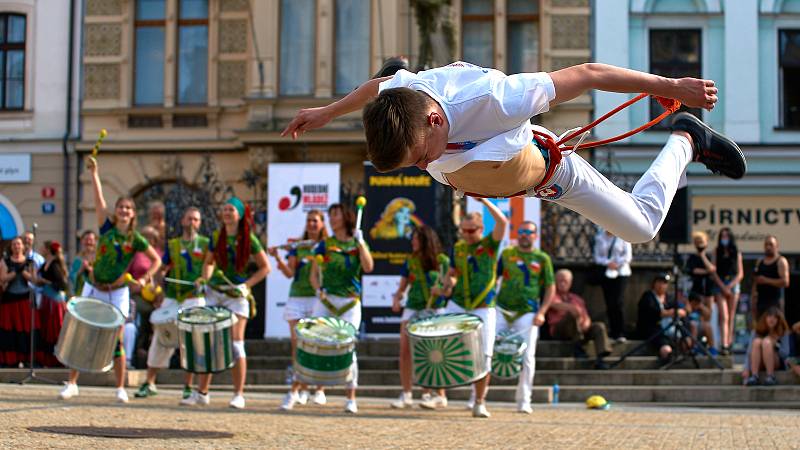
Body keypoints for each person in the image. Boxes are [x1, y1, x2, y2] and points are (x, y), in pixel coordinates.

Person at [282, 61, 746, 246]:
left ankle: (686, 139)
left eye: (419, 157)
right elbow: (374, 88)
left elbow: (587, 74)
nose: (423, 167)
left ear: (435, 121)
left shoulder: (498, 98)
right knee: (414, 110)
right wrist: (327, 111)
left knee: (643, 229)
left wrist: (671, 88)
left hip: (547, 169)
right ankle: (407, 66)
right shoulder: (404, 95)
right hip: (484, 157)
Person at [59, 156, 162, 403]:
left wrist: (144, 277)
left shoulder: (136, 239)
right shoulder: (106, 228)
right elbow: (98, 200)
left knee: (116, 339)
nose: (124, 211)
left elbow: (156, 261)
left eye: (128, 208)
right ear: (116, 212)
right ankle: (72, 383)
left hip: (117, 290)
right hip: (94, 286)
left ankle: (119, 388)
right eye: (121, 207)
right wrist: (95, 173)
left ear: (133, 214)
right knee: (81, 333)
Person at [184, 197, 270, 409]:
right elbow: (209, 263)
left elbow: (265, 267)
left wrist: (247, 285)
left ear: (239, 215)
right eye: (224, 210)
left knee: (235, 343)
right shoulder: (216, 237)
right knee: (208, 341)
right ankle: (202, 392)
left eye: (231, 210)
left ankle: (238, 394)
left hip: (237, 296)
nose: (227, 213)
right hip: (215, 292)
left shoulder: (250, 239)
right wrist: (204, 278)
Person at [438, 198, 507, 418]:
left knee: (485, 354)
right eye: (464, 231)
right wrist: (448, 283)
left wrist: (484, 202)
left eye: (471, 231)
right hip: (458, 302)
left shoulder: (489, 245)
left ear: (480, 229)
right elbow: (453, 273)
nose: (467, 235)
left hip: (483, 305)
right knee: (438, 340)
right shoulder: (458, 248)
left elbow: (503, 223)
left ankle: (479, 401)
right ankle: (438, 394)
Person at [136, 207, 208, 401]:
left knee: (192, 342)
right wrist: (158, 285)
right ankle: (149, 382)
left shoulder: (206, 244)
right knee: (161, 337)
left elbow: (209, 267)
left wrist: (203, 280)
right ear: (183, 221)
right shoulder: (173, 245)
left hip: (194, 297)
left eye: (196, 219)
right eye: (189, 219)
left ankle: (188, 385)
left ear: (199, 223)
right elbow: (163, 268)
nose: (192, 222)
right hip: (173, 296)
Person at [308, 203, 374, 414]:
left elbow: (368, 267)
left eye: (335, 214)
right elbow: (313, 274)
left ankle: (351, 397)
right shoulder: (325, 244)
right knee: (318, 340)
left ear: (346, 217)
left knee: (348, 345)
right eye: (330, 215)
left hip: (349, 302)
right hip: (327, 300)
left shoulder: (356, 242)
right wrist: (318, 290)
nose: (332, 219)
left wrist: (361, 242)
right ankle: (319, 389)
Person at [494, 220, 554, 413]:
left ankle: (524, 400)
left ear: (535, 236)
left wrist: (542, 312)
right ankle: (477, 397)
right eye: (521, 231)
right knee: (487, 349)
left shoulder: (542, 258)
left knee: (527, 356)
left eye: (529, 232)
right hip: (501, 309)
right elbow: (494, 277)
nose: (525, 235)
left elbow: (550, 287)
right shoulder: (507, 253)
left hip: (527, 312)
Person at [272, 210, 328, 410]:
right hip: (296, 299)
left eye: (316, 221)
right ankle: (302, 388)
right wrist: (277, 258)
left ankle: (319, 389)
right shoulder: (297, 247)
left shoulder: (327, 246)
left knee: (318, 343)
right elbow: (289, 273)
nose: (312, 224)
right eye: (309, 221)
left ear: (322, 224)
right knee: (298, 346)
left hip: (317, 299)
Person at [390, 225, 449, 410]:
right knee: (405, 351)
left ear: (426, 240)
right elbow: (402, 287)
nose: (412, 242)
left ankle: (434, 394)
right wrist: (397, 298)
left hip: (434, 310)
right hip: (413, 308)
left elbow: (449, 288)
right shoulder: (410, 261)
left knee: (431, 353)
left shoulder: (442, 261)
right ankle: (406, 393)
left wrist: (441, 290)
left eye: (416, 239)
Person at [546, 268, 612, 370]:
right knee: (572, 314)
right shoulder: (551, 295)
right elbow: (554, 304)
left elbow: (586, 316)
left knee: (599, 326)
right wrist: (573, 309)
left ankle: (601, 357)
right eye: (560, 281)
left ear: (570, 283)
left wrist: (586, 323)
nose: (563, 284)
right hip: (560, 330)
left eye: (565, 281)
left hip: (580, 329)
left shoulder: (577, 299)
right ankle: (578, 347)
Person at [0, 237, 40, 367]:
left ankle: (27, 358)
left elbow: (34, 279)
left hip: (25, 299)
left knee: (27, 329)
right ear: (11, 247)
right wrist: (14, 272)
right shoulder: (5, 261)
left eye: (18, 244)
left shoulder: (30, 262)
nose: (16, 246)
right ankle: (11, 359)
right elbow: (2, 278)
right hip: (10, 299)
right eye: (14, 244)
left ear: (23, 246)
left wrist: (23, 271)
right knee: (10, 330)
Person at [634, 273, 687, 361]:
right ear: (654, 283)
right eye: (660, 282)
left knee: (687, 338)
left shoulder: (669, 297)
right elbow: (652, 312)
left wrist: (677, 312)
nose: (662, 285)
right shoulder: (648, 296)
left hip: (670, 328)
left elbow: (682, 311)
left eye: (664, 283)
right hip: (653, 330)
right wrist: (669, 312)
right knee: (666, 349)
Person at [593, 230, 632, 343]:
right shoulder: (600, 237)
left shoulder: (623, 237)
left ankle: (620, 331)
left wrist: (617, 263)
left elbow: (627, 256)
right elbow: (597, 257)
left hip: (621, 272)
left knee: (618, 301)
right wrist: (608, 263)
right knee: (609, 302)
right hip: (607, 272)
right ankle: (613, 331)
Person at [34, 241, 69, 367]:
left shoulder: (55, 265)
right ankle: (48, 359)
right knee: (46, 329)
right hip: (46, 300)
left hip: (54, 301)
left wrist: (45, 282)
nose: (41, 249)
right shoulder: (45, 264)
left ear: (48, 249)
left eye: (43, 247)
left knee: (55, 329)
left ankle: (58, 359)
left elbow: (62, 285)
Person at [710, 227, 742, 355]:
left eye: (726, 236)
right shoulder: (715, 252)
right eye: (722, 236)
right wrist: (723, 286)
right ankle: (723, 344)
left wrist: (730, 286)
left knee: (731, 316)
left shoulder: (736, 252)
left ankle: (729, 343)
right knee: (724, 316)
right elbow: (713, 271)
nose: (724, 238)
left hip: (733, 284)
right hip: (720, 283)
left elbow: (740, 273)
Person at [744, 307, 790, 386]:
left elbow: (786, 354)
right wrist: (746, 368)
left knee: (766, 342)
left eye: (775, 317)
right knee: (757, 342)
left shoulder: (783, 332)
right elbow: (749, 352)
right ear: (765, 318)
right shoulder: (756, 332)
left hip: (776, 362)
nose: (772, 319)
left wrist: (775, 345)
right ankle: (754, 376)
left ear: (779, 320)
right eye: (769, 316)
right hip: (759, 362)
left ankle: (770, 376)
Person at [751, 236, 790, 320]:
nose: (768, 247)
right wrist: (753, 299)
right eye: (766, 245)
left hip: (774, 303)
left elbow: (785, 282)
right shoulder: (760, 262)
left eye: (771, 244)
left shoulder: (781, 261)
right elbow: (756, 282)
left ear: (776, 246)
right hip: (760, 303)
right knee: (760, 329)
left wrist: (766, 280)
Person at [69, 230, 97, 296]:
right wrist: (81, 270)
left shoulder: (99, 257)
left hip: (97, 292)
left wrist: (90, 269)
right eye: (86, 239)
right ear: (82, 241)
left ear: (95, 241)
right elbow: (72, 276)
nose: (88, 242)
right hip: (81, 293)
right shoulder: (77, 259)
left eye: (91, 240)